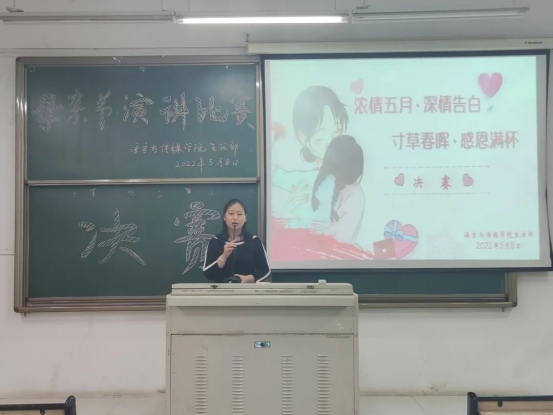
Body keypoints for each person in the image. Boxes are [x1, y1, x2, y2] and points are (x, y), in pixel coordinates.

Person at [203, 199, 270, 284]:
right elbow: (208, 274)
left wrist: (249, 279)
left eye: (239, 214)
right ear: (224, 217)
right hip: (221, 291)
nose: (235, 218)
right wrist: (224, 256)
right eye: (231, 214)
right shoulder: (216, 241)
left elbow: (265, 270)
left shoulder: (254, 241)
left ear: (245, 218)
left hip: (246, 290)